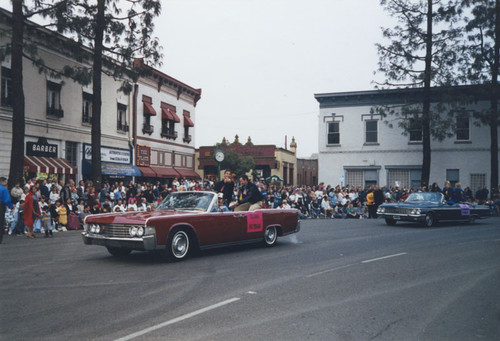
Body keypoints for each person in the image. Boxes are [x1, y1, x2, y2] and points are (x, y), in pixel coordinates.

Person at [0, 176, 14, 243]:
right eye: (5, 182)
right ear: (2, 181)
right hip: (1, 205)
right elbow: (7, 200)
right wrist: (11, 207)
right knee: (1, 222)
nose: (6, 183)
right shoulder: (4, 189)